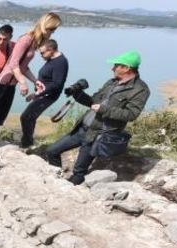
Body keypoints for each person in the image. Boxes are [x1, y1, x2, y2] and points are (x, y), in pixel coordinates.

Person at [45, 50, 150, 185]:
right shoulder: (112, 82)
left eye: (116, 65)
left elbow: (131, 114)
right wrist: (77, 94)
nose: (112, 68)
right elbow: (93, 101)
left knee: (78, 172)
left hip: (97, 135)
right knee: (51, 151)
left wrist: (104, 109)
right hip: (81, 129)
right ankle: (56, 181)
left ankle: (68, 190)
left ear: (126, 68)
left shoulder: (140, 90)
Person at [0, 13, 62, 149]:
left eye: (54, 30)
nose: (52, 32)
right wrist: (22, 82)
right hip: (3, 83)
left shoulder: (34, 42)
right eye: (51, 29)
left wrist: (35, 81)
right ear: (44, 26)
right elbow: (14, 63)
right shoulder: (26, 39)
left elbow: (24, 66)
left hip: (10, 85)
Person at [19, 39, 68, 148]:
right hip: (42, 94)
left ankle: (26, 144)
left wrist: (37, 94)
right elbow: (47, 78)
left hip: (48, 96)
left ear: (51, 50)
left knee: (26, 117)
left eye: (42, 53)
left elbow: (57, 83)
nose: (41, 55)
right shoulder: (52, 59)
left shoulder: (60, 62)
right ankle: (27, 143)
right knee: (30, 117)